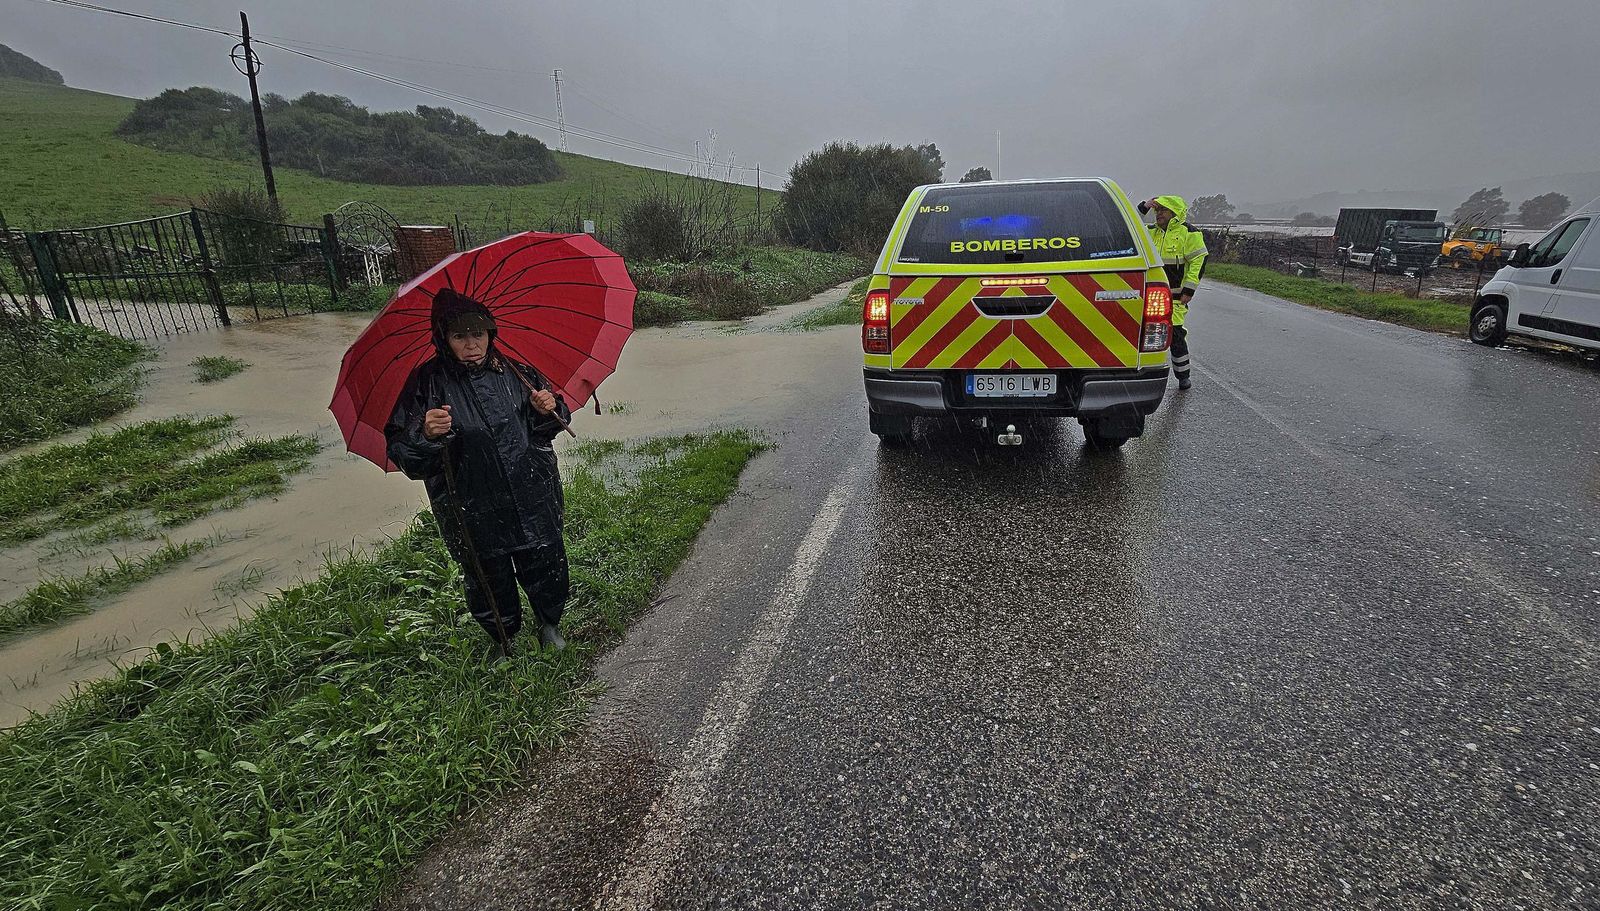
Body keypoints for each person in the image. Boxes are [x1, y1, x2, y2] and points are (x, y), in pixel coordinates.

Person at [385, 288, 573, 658]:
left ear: (490, 334)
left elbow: (550, 425)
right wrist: (424, 433)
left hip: (531, 489)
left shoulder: (518, 371)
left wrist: (548, 408)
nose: (471, 344)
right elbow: (404, 453)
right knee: (486, 570)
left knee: (545, 555)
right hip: (469, 501)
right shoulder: (426, 385)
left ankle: (549, 622)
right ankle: (502, 638)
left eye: (478, 334)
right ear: (444, 338)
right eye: (460, 336)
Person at [1139, 195, 1208, 390]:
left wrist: (1189, 289)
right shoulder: (1149, 231)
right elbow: (1127, 224)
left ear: (1174, 213)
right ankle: (1143, 375)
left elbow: (1199, 261)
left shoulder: (1189, 233)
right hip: (1149, 296)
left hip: (1176, 297)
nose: (1158, 214)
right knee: (1145, 336)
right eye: (1157, 210)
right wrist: (1144, 207)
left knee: (1175, 335)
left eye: (1163, 210)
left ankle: (1183, 375)